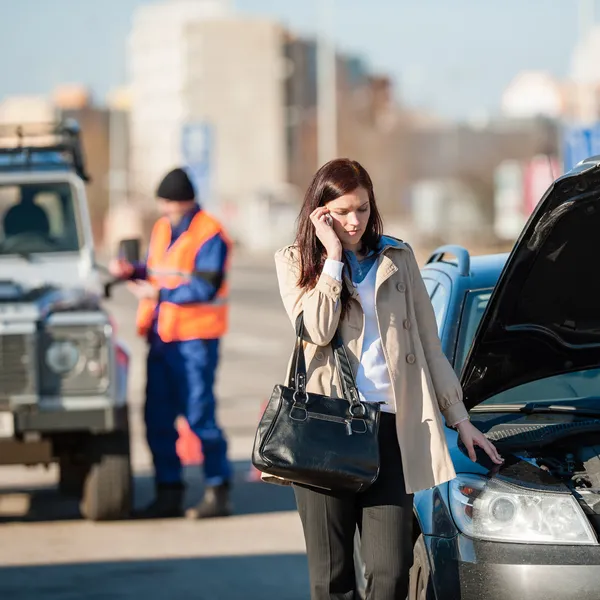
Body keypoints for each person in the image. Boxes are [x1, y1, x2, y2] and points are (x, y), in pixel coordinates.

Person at [273, 158, 503, 599]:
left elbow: (431, 346)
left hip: (392, 431)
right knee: (332, 579)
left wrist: (460, 418)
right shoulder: (295, 261)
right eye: (341, 212)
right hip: (325, 431)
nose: (354, 220)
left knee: (392, 571)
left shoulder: (397, 257)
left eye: (361, 208)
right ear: (319, 212)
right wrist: (334, 259)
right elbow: (317, 329)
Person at [110, 167, 233, 519]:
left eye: (170, 203)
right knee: (157, 417)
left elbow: (206, 286)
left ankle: (217, 489)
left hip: (196, 339)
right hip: (163, 337)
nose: (166, 209)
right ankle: (169, 491)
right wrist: (131, 270)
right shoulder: (163, 228)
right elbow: (155, 269)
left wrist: (159, 292)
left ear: (186, 201)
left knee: (199, 415)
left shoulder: (211, 233)